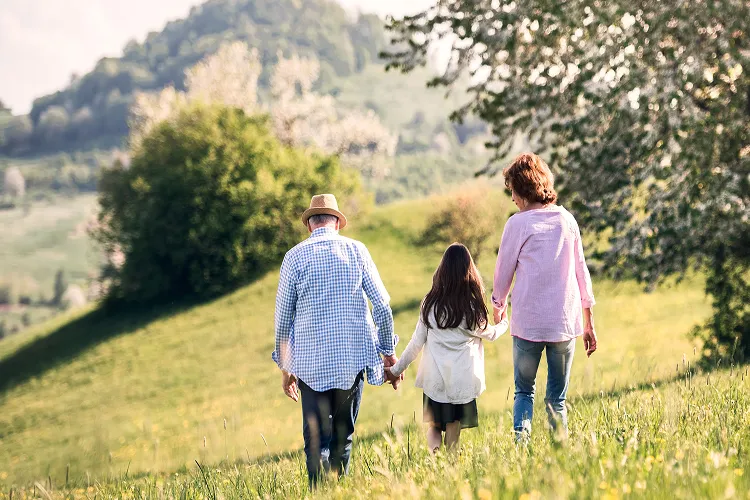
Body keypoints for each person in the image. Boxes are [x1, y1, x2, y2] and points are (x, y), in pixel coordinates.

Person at [272, 193, 401, 487]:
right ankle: (339, 491)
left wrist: (285, 368)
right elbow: (381, 305)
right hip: (351, 362)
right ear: (338, 223)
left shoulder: (294, 257)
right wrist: (388, 352)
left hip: (310, 366)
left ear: (309, 226)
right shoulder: (357, 251)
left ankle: (319, 492)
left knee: (317, 442)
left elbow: (282, 321)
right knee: (343, 438)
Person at [492, 153, 598, 441]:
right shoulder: (567, 221)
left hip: (528, 325)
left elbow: (503, 273)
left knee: (524, 391)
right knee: (557, 401)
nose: (512, 197)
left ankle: (521, 446)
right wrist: (588, 323)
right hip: (564, 324)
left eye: (512, 189)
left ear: (523, 189)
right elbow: (581, 273)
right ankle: (559, 453)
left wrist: (498, 306)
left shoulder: (517, 225)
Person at [386, 243, 507, 453]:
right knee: (453, 424)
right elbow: (492, 334)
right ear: (469, 272)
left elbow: (416, 343)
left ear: (442, 271)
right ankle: (450, 465)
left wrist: (396, 371)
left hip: (435, 379)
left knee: (433, 425)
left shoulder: (430, 304)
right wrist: (505, 321)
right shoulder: (471, 307)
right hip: (461, 379)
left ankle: (434, 458)